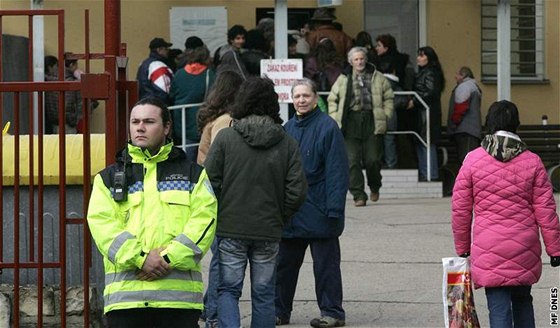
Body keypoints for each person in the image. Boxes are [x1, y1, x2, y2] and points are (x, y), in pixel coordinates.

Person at [87, 97, 218, 328]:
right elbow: (102, 226)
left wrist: (167, 258)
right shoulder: (106, 179)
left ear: (166, 127)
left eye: (149, 121)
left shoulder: (193, 175)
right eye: (135, 121)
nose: (140, 127)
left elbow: (205, 222)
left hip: (178, 302)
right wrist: (140, 259)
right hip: (126, 301)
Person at [204, 77, 307, 328]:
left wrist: (220, 212)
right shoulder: (287, 142)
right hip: (269, 229)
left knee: (228, 289)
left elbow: (208, 183)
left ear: (241, 102)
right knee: (264, 293)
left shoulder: (227, 138)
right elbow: (297, 190)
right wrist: (280, 215)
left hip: (230, 228)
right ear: (273, 104)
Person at [451, 100, 560, 328]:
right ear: (516, 124)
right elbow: (546, 210)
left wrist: (462, 247)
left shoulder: (472, 160)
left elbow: (460, 209)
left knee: (498, 308)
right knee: (523, 302)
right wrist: (555, 249)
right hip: (524, 246)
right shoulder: (533, 162)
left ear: (489, 123)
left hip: (488, 246)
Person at [275, 79, 349, 328]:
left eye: (306, 95)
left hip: (321, 212)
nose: (301, 100)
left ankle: (332, 313)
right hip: (293, 214)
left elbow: (338, 171)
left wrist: (334, 209)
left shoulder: (328, 127)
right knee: (283, 267)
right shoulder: (287, 128)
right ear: (291, 99)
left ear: (316, 98)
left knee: (326, 268)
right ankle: (279, 312)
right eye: (297, 96)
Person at [196, 70, 244, 328]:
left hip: (210, 190)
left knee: (220, 254)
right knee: (223, 257)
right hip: (220, 193)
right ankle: (213, 311)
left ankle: (209, 306)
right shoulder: (225, 121)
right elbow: (222, 158)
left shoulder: (214, 118)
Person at [328, 47, 394, 207]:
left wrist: (385, 115)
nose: (359, 62)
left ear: (366, 59)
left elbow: (388, 97)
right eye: (356, 59)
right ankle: (358, 194)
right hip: (350, 121)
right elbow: (332, 99)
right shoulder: (344, 78)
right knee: (352, 161)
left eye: (361, 58)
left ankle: (375, 186)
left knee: (373, 160)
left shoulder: (378, 77)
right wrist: (335, 119)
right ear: (351, 61)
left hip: (372, 120)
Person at [170, 43, 215, 163]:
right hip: (200, 119)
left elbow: (172, 94)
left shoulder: (179, 73)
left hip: (180, 118)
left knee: (186, 152)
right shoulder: (209, 74)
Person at [407, 46, 445, 181]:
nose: (418, 58)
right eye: (419, 55)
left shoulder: (430, 73)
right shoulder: (426, 72)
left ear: (429, 58)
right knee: (423, 143)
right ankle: (426, 173)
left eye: (422, 56)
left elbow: (430, 92)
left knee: (427, 143)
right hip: (423, 114)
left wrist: (414, 101)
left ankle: (430, 174)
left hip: (427, 114)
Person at [447, 66, 482, 165]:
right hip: (472, 132)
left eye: (457, 74)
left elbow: (460, 108)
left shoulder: (465, 87)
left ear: (463, 75)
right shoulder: (474, 86)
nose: (455, 77)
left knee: (466, 162)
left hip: (465, 132)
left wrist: (453, 125)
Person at [378, 61, 408, 169]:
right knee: (389, 139)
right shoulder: (395, 85)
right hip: (390, 116)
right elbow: (403, 100)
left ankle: (378, 163)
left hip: (377, 116)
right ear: (394, 71)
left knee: (377, 141)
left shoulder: (377, 83)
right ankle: (391, 163)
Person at [136, 37, 174, 105]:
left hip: (145, 103)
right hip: (156, 105)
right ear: (159, 50)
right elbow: (163, 91)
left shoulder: (144, 63)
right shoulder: (158, 65)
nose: (168, 51)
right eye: (166, 49)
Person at [44, 55, 58, 134]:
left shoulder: (43, 80)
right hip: (51, 119)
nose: (58, 69)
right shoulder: (50, 82)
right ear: (50, 67)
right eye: (56, 66)